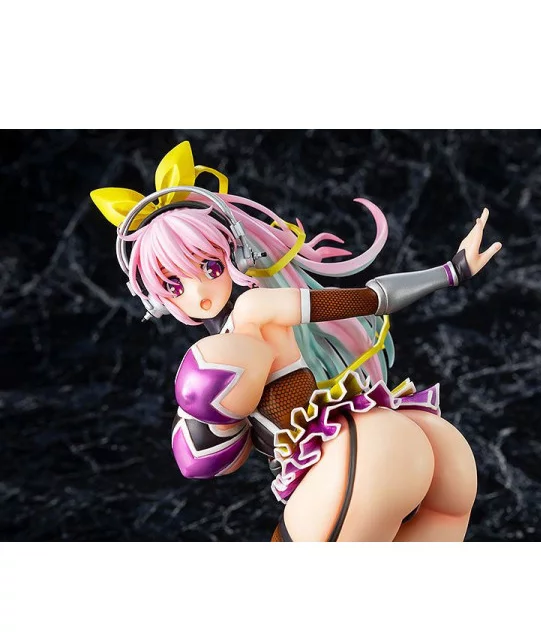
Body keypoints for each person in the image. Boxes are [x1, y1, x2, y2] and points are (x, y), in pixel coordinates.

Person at [91, 141, 502, 541]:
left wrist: (451, 271)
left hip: (332, 457)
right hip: (401, 438)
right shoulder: (236, 332)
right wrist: (451, 272)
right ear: (155, 299)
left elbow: (367, 299)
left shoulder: (251, 311)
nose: (198, 292)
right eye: (173, 284)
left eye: (210, 267)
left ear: (236, 254)